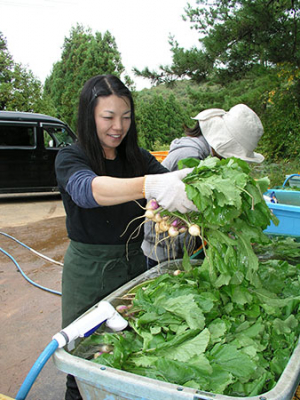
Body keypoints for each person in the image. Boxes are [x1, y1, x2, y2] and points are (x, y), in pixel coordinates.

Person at [55, 74, 196, 400]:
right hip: (89, 272)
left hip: (136, 267)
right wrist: (148, 186)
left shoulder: (138, 158)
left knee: (129, 353)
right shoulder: (71, 157)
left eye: (126, 116)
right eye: (108, 117)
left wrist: (187, 188)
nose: (118, 126)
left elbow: (170, 187)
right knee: (85, 361)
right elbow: (87, 191)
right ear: (89, 117)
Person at [142, 104, 265, 267]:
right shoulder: (190, 154)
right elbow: (189, 204)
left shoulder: (206, 154)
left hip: (183, 244)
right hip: (163, 244)